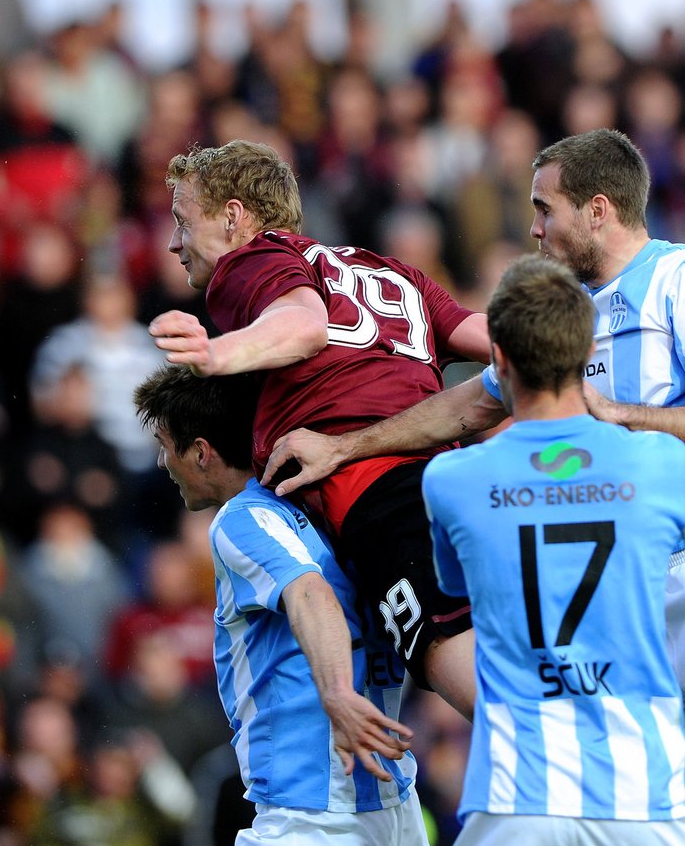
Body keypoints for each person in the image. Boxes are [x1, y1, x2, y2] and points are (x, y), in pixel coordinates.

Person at [261, 128, 685, 686]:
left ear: (598, 210)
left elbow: (608, 415)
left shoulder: (673, 279)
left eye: (545, 210)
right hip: (611, 581)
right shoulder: (564, 312)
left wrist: (625, 414)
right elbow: (469, 406)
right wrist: (344, 446)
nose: (534, 228)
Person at [149, 139, 491, 717]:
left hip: (379, 490)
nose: (175, 243)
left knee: (444, 648)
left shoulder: (247, 264)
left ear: (233, 217)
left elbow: (302, 325)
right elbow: (489, 340)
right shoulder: (385, 269)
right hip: (453, 472)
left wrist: (217, 351)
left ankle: (562, 774)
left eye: (184, 221)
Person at [421, 254, 685, 844]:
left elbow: (461, 587)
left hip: (519, 794)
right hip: (646, 793)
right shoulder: (666, 465)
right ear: (585, 354)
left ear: (500, 359)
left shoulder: (450, 480)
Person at [133, 364, 426, 846]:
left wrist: (338, 695)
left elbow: (311, 592)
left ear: (202, 453)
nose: (164, 462)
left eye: (166, 446)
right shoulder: (327, 501)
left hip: (314, 809)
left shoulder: (240, 520)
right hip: (394, 800)